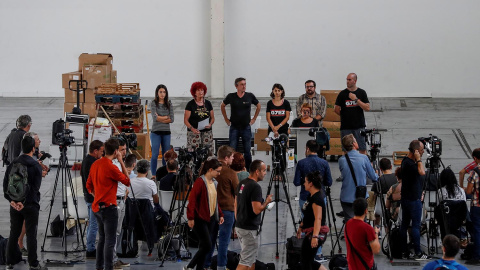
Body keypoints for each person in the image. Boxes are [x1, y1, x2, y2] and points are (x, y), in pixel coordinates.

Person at [3, 136, 47, 270]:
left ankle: (9, 262)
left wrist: (12, 201)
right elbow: (35, 189)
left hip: (15, 204)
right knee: (31, 233)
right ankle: (33, 264)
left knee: (14, 232)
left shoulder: (13, 163)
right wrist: (24, 202)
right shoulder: (35, 166)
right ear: (33, 149)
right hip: (30, 205)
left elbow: (6, 185)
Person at [86, 138, 130, 270]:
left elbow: (88, 186)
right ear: (116, 151)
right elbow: (127, 181)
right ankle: (109, 267)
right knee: (110, 241)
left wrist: (97, 196)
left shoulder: (95, 164)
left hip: (97, 207)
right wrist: (121, 161)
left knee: (102, 239)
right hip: (109, 207)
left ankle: (99, 267)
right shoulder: (111, 167)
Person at [184, 159, 224, 270]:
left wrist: (220, 214)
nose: (219, 174)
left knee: (204, 246)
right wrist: (190, 217)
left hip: (211, 218)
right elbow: (192, 200)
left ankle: (199, 268)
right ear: (210, 170)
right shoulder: (200, 182)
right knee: (207, 245)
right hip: (199, 218)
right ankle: (190, 266)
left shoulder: (215, 183)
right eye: (218, 171)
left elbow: (215, 201)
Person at [234, 160, 273, 270]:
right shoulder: (255, 187)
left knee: (251, 259)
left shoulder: (242, 183)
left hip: (240, 226)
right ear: (257, 171)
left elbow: (235, 203)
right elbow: (256, 210)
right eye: (264, 170)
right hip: (249, 229)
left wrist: (238, 219)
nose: (265, 173)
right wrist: (266, 202)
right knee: (245, 260)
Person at [205, 146, 238, 270]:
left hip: (211, 209)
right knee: (224, 241)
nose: (233, 159)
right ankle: (221, 266)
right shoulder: (230, 173)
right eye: (232, 157)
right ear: (226, 158)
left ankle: (206, 265)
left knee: (210, 240)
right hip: (226, 210)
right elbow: (237, 191)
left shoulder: (209, 170)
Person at [221, 77, 260, 170]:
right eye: (242, 84)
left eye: (245, 84)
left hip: (246, 127)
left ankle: (248, 169)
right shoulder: (231, 96)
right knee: (232, 149)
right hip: (234, 127)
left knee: (247, 150)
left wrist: (254, 118)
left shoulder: (249, 96)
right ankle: (232, 169)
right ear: (236, 86)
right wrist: (226, 119)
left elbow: (258, 105)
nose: (244, 86)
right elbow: (222, 105)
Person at [400, 139, 430, 260]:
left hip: (406, 198)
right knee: (416, 226)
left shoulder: (405, 161)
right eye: (421, 150)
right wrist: (419, 159)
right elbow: (422, 172)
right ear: (416, 151)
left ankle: (404, 251)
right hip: (413, 199)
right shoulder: (412, 164)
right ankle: (418, 252)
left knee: (404, 225)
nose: (423, 153)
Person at [339, 134, 378, 222]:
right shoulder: (363, 158)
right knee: (361, 222)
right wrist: (377, 174)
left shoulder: (341, 160)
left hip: (346, 196)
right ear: (353, 144)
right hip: (360, 196)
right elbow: (373, 177)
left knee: (350, 222)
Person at [296, 171, 328, 270]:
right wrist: (301, 226)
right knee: (307, 260)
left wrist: (315, 236)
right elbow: (308, 215)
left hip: (314, 232)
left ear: (311, 183)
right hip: (310, 231)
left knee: (306, 261)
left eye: (305, 181)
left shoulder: (317, 199)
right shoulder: (312, 196)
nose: (304, 183)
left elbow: (318, 218)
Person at [334, 73, 370, 154]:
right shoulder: (342, 94)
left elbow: (367, 108)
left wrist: (356, 99)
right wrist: (345, 115)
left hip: (359, 126)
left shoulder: (361, 92)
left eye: (349, 80)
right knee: (346, 150)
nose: (347, 81)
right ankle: (348, 165)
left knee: (362, 148)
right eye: (347, 79)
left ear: (355, 81)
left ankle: (361, 165)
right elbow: (336, 109)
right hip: (346, 127)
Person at [81, 140, 105, 258]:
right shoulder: (92, 163)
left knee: (92, 224)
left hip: (89, 196)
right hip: (92, 198)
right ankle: (90, 249)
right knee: (94, 225)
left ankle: (90, 247)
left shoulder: (87, 160)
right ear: (95, 151)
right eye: (101, 151)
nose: (102, 153)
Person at [344, 198, 380, 270]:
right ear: (366, 211)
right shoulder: (367, 228)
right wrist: (375, 233)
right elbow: (376, 250)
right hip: (365, 265)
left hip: (351, 265)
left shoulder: (348, 224)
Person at [111, 139, 130, 268]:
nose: (125, 152)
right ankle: (112, 259)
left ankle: (115, 257)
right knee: (114, 232)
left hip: (122, 199)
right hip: (116, 201)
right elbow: (127, 178)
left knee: (118, 231)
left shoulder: (119, 163)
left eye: (125, 149)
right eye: (122, 150)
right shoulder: (115, 164)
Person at [184, 81, 215, 155]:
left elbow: (212, 118)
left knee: (208, 153)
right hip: (194, 133)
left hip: (207, 133)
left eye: (202, 90)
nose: (201, 92)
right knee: (193, 153)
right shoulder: (190, 104)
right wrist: (192, 129)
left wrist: (210, 124)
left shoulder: (208, 103)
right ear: (194, 92)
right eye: (198, 90)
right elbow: (185, 120)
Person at [150, 84, 174, 174]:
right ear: (157, 93)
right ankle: (153, 174)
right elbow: (154, 118)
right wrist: (166, 117)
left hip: (166, 133)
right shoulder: (153, 103)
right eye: (160, 92)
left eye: (164, 92)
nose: (162, 94)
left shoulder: (169, 104)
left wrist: (160, 117)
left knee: (166, 155)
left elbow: (172, 119)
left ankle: (165, 173)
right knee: (155, 154)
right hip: (156, 132)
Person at [371, 158, 397, 233]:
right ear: (391, 167)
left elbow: (373, 195)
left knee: (377, 214)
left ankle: (376, 230)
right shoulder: (397, 178)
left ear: (380, 169)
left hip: (381, 208)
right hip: (395, 208)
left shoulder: (379, 180)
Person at [465, 148, 480, 265]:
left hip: (477, 205)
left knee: (477, 231)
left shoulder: (474, 172)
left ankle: (477, 256)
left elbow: (469, 191)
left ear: (475, 159)